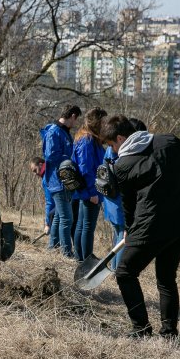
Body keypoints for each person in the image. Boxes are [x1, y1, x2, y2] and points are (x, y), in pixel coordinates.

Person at [102, 115, 180, 338]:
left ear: (120, 138)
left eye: (111, 145)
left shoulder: (122, 165)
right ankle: (169, 333)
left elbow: (129, 203)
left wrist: (129, 227)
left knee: (125, 273)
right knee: (166, 278)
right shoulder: (167, 141)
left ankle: (141, 328)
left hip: (150, 225)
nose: (112, 150)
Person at [42, 104, 81, 258]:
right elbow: (50, 155)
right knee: (67, 218)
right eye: (75, 119)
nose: (75, 123)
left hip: (65, 180)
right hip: (57, 180)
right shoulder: (54, 132)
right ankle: (66, 252)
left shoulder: (64, 132)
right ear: (72, 116)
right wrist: (68, 160)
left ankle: (53, 246)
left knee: (59, 216)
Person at [72, 107, 107, 261]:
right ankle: (86, 259)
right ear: (97, 122)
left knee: (82, 224)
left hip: (89, 189)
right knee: (87, 226)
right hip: (90, 190)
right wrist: (92, 192)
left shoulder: (90, 139)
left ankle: (80, 258)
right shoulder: (87, 141)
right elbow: (86, 169)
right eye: (104, 121)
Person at [101, 145, 125, 270]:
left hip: (110, 202)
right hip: (118, 202)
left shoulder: (107, 153)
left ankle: (113, 267)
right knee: (123, 236)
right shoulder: (119, 157)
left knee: (117, 235)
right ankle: (117, 269)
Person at [29, 156, 55, 238]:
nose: (35, 174)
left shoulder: (46, 178)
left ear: (40, 165)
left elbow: (49, 202)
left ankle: (52, 247)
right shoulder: (53, 169)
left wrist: (47, 224)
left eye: (35, 170)